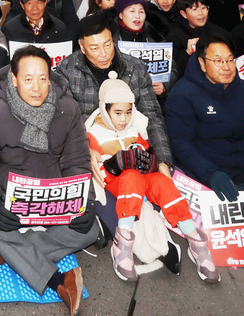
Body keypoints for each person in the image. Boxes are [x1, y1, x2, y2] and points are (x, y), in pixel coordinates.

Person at [0, 47, 93, 314]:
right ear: (13, 79)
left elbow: (77, 163)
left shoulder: (68, 109)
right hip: (12, 199)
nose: (36, 88)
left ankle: (7, 254)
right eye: (27, 79)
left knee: (92, 229)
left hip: (55, 201)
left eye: (43, 78)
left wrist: (83, 201)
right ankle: (60, 281)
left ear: (51, 77)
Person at [85, 77, 217, 282]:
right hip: (116, 184)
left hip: (140, 181)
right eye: (117, 113)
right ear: (104, 109)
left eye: (128, 112)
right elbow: (95, 170)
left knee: (163, 183)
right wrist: (113, 166)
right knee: (131, 176)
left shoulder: (133, 130)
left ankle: (195, 239)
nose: (123, 119)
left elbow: (147, 152)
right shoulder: (94, 133)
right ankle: (123, 240)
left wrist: (150, 161)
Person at [165, 34, 244, 210]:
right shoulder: (182, 94)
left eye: (230, 60)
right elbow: (181, 144)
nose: (226, 67)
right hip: (205, 180)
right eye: (218, 61)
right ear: (202, 63)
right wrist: (211, 174)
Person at [54, 15, 175, 176]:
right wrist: (85, 151)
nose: (103, 54)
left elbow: (152, 117)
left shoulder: (135, 68)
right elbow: (66, 122)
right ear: (82, 48)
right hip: (90, 151)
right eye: (94, 48)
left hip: (133, 149)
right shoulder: (67, 71)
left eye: (107, 44)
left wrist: (163, 161)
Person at [3, 0, 68, 44]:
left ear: (45, 2)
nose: (35, 8)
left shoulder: (59, 27)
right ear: (22, 5)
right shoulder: (11, 29)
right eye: (30, 3)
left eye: (38, 3)